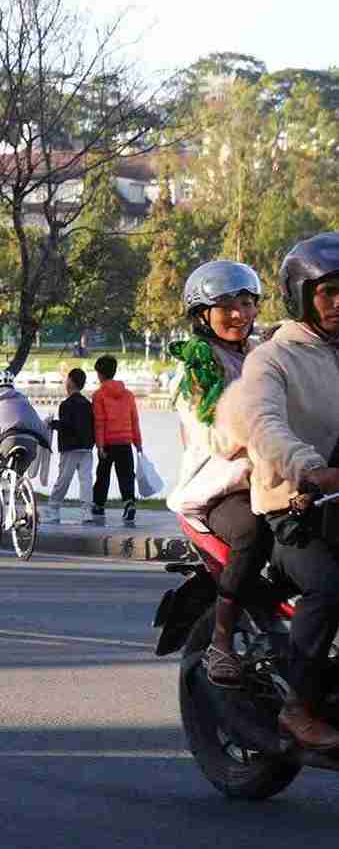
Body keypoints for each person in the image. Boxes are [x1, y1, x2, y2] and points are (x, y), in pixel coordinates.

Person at [217, 233, 339, 750]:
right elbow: (264, 424)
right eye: (328, 291)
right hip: (295, 507)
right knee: (329, 587)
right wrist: (311, 468)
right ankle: (298, 706)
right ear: (301, 295)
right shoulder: (272, 359)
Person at [165, 261, 271, 686]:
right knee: (253, 531)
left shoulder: (264, 354)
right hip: (223, 488)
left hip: (279, 475)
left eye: (246, 303)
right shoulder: (199, 366)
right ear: (202, 315)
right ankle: (222, 640)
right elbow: (218, 437)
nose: (239, 314)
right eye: (226, 306)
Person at [0, 373, 50, 537]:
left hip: (7, 440)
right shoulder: (23, 400)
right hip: (31, 440)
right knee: (17, 476)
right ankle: (30, 509)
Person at [87, 353, 143, 526]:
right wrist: (138, 443)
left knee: (103, 475)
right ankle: (129, 502)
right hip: (125, 441)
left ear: (100, 374)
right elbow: (134, 419)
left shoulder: (98, 395)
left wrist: (100, 446)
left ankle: (98, 505)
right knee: (126, 475)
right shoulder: (128, 395)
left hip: (108, 442)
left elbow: (99, 422)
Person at [43, 368, 95, 524]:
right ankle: (86, 511)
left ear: (71, 382)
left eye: (67, 380)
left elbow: (66, 426)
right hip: (86, 447)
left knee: (64, 479)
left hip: (70, 448)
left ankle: (53, 507)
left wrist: (52, 424)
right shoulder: (88, 404)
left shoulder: (66, 404)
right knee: (86, 479)